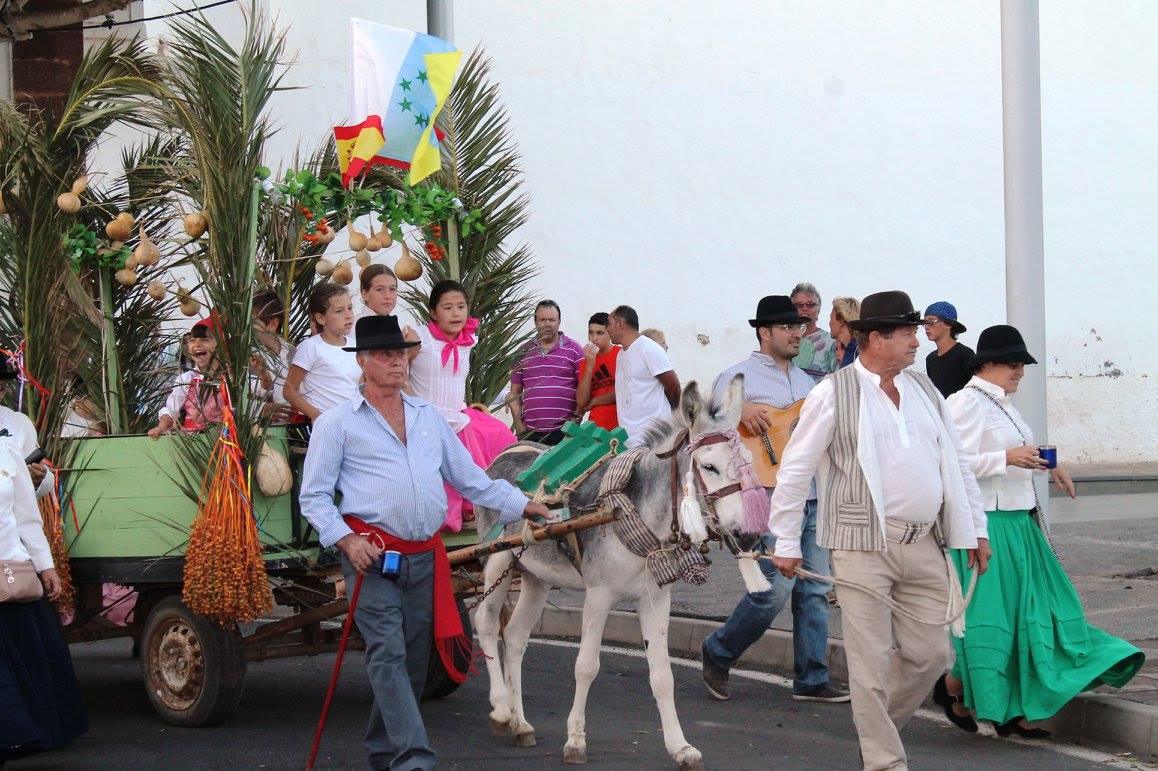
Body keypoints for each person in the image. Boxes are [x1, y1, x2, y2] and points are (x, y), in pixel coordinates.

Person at [299, 314, 549, 770]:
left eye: (401, 354)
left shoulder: (428, 417)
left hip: (424, 558)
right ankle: (414, 759)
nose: (398, 363)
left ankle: (381, 753)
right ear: (365, 363)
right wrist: (347, 540)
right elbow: (313, 498)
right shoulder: (336, 424)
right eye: (386, 355)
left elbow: (470, 479)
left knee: (412, 663)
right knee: (388, 654)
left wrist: (522, 504)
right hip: (371, 558)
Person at [768, 290, 990, 771]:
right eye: (907, 332)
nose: (917, 340)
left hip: (924, 541)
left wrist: (975, 529)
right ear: (875, 339)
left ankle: (876, 727)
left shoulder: (926, 389)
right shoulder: (833, 392)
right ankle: (885, 762)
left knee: (932, 655)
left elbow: (958, 464)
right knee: (869, 663)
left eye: (915, 331)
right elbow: (794, 469)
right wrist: (785, 541)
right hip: (860, 546)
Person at [934, 324, 1144, 738]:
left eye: (1022, 365)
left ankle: (1013, 707)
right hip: (988, 525)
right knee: (993, 621)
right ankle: (959, 689)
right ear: (987, 364)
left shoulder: (1004, 404)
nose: (1020, 372)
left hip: (1019, 521)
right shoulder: (963, 404)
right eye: (1013, 364)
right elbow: (947, 464)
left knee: (1036, 615)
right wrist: (1005, 457)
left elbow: (1016, 451)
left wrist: (1051, 464)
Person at [700, 296, 849, 704]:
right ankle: (718, 650)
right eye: (787, 327)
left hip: (813, 494)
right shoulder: (736, 376)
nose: (796, 333)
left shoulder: (808, 383)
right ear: (764, 332)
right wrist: (739, 409)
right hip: (768, 496)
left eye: (798, 327)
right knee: (773, 591)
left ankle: (812, 677)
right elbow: (709, 422)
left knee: (814, 591)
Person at [0, 444, 88, 761]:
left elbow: (26, 517)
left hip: (10, 575)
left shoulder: (5, 451)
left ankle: (24, 734)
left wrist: (45, 565)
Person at [408, 280, 517, 531]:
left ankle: (492, 507)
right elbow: (399, 372)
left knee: (500, 437)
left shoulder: (469, 340)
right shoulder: (419, 338)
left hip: (460, 415)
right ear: (433, 313)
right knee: (455, 446)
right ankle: (452, 513)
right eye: (447, 307)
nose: (456, 313)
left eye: (461, 306)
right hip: (427, 417)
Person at [509, 300, 584, 446]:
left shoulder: (574, 349)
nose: (547, 324)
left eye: (552, 319)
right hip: (530, 434)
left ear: (559, 321)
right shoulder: (523, 351)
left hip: (565, 433)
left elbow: (584, 387)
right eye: (543, 320)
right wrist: (520, 427)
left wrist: (576, 419)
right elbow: (515, 392)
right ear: (535, 322)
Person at [283, 282, 360, 421]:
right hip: (323, 424)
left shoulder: (356, 346)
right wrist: (317, 416)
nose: (348, 315)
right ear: (320, 318)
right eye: (339, 311)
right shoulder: (310, 347)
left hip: (352, 422)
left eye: (350, 308)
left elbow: (360, 388)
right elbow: (289, 390)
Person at [608, 305, 680, 447]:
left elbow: (673, 385)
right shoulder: (621, 354)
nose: (607, 329)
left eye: (609, 323)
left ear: (620, 324)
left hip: (654, 439)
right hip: (629, 439)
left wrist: (674, 415)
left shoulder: (648, 348)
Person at [148, 316, 226, 437]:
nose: (197, 344)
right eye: (192, 340)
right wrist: (160, 427)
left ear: (219, 345)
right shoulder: (185, 379)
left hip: (225, 442)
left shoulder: (230, 379)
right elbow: (171, 410)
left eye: (205, 340)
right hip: (192, 442)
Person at [0, 354, 54, 498]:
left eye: (1, 388)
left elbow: (46, 478)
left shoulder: (19, 423)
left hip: (11, 515)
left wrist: (38, 478)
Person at [251, 289, 295, 423]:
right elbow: (233, 399)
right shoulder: (244, 354)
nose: (247, 327)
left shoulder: (293, 352)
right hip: (255, 434)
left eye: (252, 322)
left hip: (291, 431)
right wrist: (262, 409)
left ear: (273, 324)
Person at [359, 264, 421, 356]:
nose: (388, 296)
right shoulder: (357, 327)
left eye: (392, 289)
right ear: (365, 294)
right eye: (380, 289)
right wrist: (409, 350)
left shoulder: (397, 325)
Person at [575, 312, 619, 430]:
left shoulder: (620, 354)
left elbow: (625, 391)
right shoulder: (586, 361)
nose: (594, 338)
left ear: (610, 333)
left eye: (600, 333)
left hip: (620, 426)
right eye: (591, 333)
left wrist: (595, 401)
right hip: (595, 427)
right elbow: (582, 402)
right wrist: (589, 366)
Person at [923, 301, 974, 398]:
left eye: (931, 322)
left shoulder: (965, 354)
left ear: (949, 324)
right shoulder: (930, 359)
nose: (926, 327)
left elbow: (977, 391)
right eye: (925, 323)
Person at [790, 282, 837, 381]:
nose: (805, 308)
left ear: (818, 310)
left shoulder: (831, 342)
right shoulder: (783, 340)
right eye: (799, 305)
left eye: (810, 305)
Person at [829, 296, 860, 368]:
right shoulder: (853, 350)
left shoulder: (857, 352)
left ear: (841, 321)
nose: (829, 323)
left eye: (831, 318)